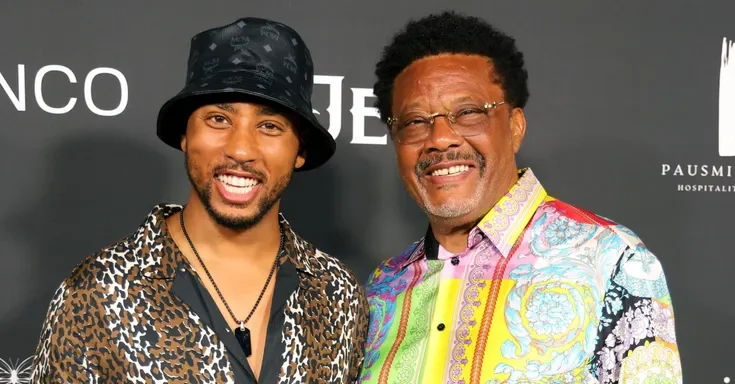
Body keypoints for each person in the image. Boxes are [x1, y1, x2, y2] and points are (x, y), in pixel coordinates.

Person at [30, 17, 368, 383]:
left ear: (299, 151)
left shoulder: (338, 294)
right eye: (219, 119)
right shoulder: (96, 293)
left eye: (269, 126)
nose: (241, 149)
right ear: (185, 136)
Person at [360, 11, 682, 384]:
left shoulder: (609, 260)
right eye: (415, 121)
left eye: (467, 113)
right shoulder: (383, 288)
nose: (440, 138)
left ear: (514, 127)